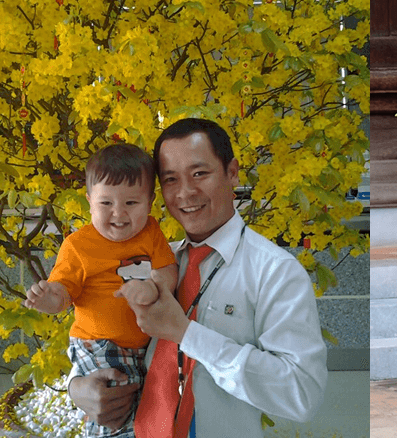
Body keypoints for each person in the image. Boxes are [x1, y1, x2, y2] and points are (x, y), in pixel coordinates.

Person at [68, 118, 328, 438]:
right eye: (171, 179)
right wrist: (77, 388)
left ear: (232, 172)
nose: (186, 193)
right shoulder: (157, 265)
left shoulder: (275, 272)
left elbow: (301, 396)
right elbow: (106, 337)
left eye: (199, 174)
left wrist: (187, 334)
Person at [24, 143, 179, 438]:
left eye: (131, 203)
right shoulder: (78, 245)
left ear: (150, 201)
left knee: (140, 409)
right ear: (89, 201)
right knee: (117, 411)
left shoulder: (151, 232)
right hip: (100, 344)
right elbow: (63, 292)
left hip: (141, 348)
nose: (118, 214)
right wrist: (47, 299)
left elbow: (167, 269)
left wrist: (154, 287)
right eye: (106, 203)